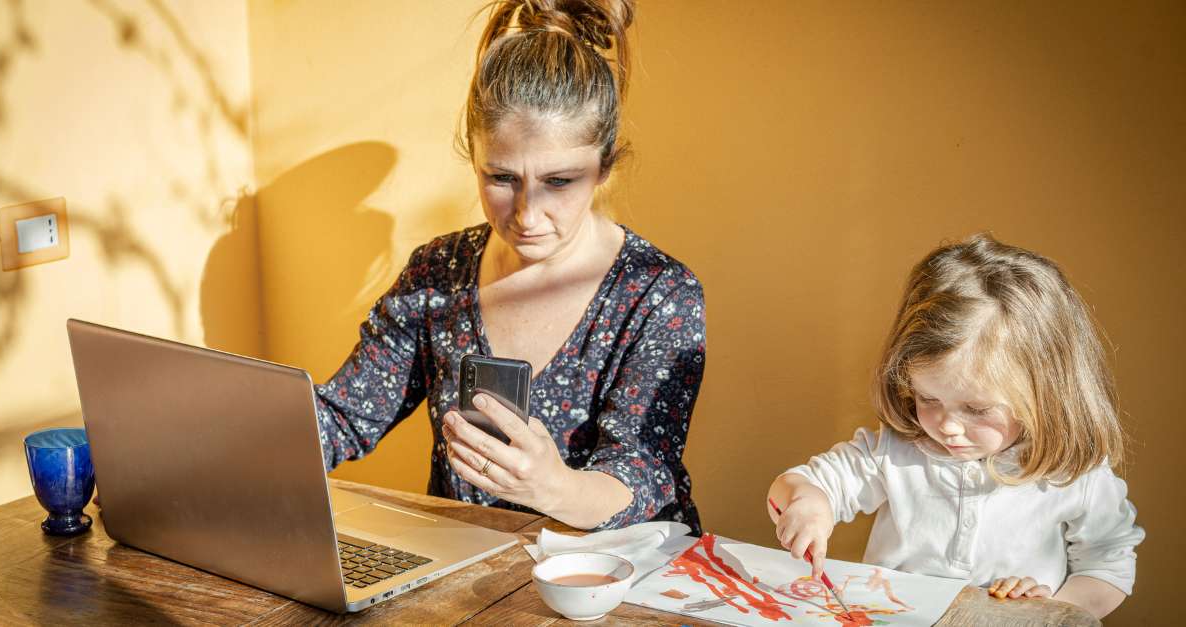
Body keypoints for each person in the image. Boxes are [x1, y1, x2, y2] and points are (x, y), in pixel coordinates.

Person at [314, 0, 705, 535]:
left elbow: (643, 471)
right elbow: (343, 417)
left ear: (605, 168)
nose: (526, 215)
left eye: (560, 182)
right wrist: (220, 436)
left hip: (615, 587)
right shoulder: (438, 272)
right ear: (472, 155)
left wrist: (553, 488)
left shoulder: (658, 293)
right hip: (468, 575)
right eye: (501, 178)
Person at [765, 234, 1143, 619]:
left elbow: (1108, 568)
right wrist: (808, 503)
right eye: (928, 399)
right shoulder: (895, 452)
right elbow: (802, 483)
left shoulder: (1073, 473)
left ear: (1046, 393)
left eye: (977, 408)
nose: (946, 426)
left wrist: (1053, 609)